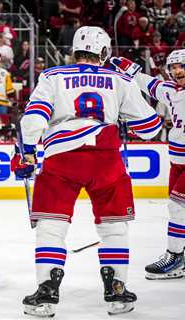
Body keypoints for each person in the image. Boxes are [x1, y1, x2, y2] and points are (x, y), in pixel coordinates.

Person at [11, 26, 162, 317]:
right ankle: (117, 293)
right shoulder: (119, 79)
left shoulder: (52, 76)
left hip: (61, 159)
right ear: (104, 52)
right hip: (106, 160)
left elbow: (33, 117)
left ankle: (46, 293)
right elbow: (150, 128)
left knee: (51, 228)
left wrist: (26, 151)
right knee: (113, 227)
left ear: (74, 50)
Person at [111, 49, 185, 280]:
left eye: (181, 66)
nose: (176, 71)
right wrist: (129, 68)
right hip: (177, 159)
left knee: (177, 208)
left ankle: (175, 256)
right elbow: (149, 84)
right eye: (172, 68)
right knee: (177, 208)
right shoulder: (172, 90)